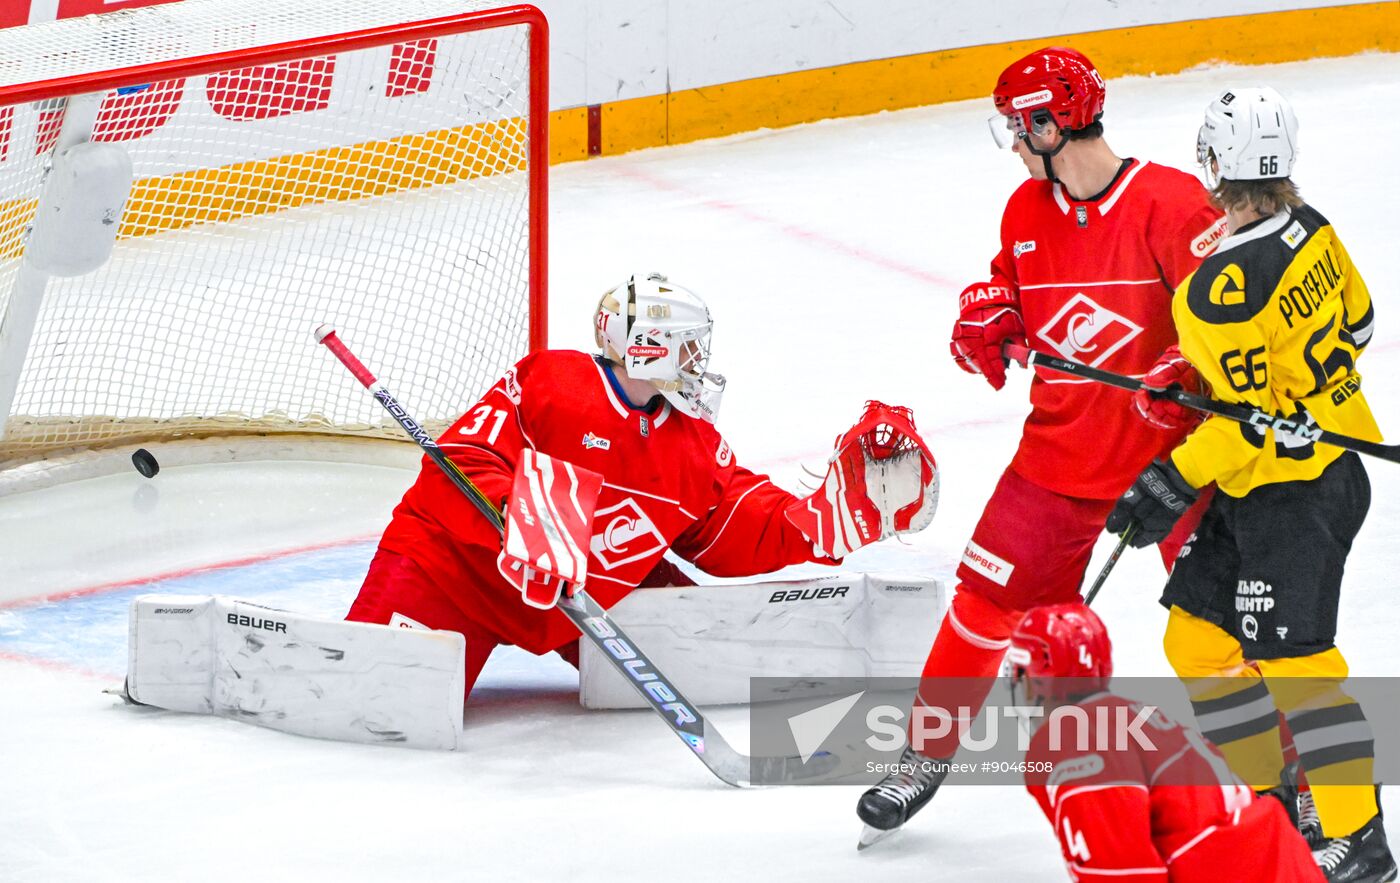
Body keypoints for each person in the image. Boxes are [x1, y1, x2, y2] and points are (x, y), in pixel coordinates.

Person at [857, 46, 1226, 835]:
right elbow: (1009, 291)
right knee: (983, 605)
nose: (1014, 148)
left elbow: (1227, 332)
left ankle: (1283, 780)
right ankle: (924, 753)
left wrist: (1185, 370)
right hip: (1057, 459)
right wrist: (991, 315)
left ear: (1051, 124)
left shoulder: (1174, 204)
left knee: (1220, 629)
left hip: (1174, 468)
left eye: (1017, 131)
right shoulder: (1027, 210)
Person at [346, 271, 938, 705]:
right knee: (375, 697)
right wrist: (518, 517)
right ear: (646, 348)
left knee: (699, 665)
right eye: (688, 347)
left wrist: (812, 523)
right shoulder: (555, 382)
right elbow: (466, 457)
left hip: (584, 605)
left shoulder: (691, 439)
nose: (698, 361)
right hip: (456, 574)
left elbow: (726, 525)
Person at [1106, 87, 1394, 882]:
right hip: (1293, 478)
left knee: (1300, 666)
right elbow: (1362, 325)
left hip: (1294, 497)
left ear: (1214, 162)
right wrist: (1293, 385)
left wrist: (1168, 478)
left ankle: (1360, 838)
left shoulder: (1215, 290)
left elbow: (1245, 426)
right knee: (1196, 638)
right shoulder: (1315, 229)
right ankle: (1271, 796)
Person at [1011, 603, 1323, 882]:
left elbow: (1124, 874)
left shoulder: (1076, 738)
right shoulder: (1136, 716)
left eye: (1021, 675)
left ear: (1041, 679)